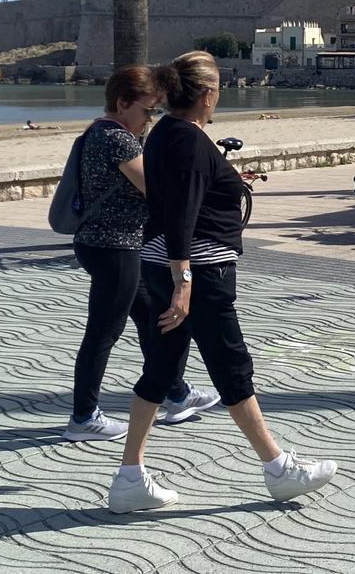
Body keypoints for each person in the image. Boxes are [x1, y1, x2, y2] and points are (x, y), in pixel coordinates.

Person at [107, 51, 337, 514]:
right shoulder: (190, 142)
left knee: (161, 368)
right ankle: (278, 468)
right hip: (200, 273)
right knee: (231, 366)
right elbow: (181, 215)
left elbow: (177, 199)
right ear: (208, 93)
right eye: (218, 90)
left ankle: (129, 477)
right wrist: (184, 280)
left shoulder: (165, 134)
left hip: (166, 264)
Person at [65, 65, 220, 443]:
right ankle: (84, 417)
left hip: (106, 243)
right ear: (122, 103)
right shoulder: (118, 139)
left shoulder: (95, 131)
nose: (150, 119)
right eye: (148, 110)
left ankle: (175, 392)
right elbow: (156, 190)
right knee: (103, 332)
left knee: (154, 319)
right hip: (115, 247)